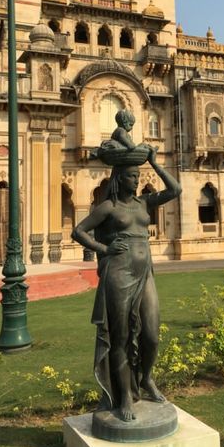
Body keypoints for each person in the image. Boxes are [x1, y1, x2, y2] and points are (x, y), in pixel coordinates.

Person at [72, 147, 181, 422]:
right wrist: (103, 248)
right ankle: (122, 397)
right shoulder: (109, 207)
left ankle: (145, 378)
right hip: (119, 274)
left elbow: (175, 190)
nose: (137, 180)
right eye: (133, 176)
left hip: (145, 274)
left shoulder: (144, 203)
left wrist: (155, 163)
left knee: (152, 333)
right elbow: (79, 231)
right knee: (120, 336)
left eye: (138, 176)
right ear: (120, 178)